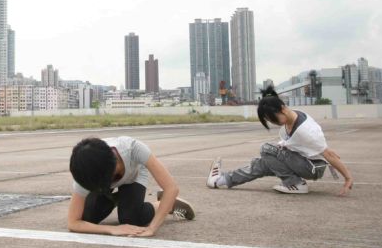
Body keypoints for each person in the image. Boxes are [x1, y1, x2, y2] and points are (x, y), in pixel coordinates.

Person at [206, 86, 353, 196]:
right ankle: (220, 181)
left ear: (282, 108)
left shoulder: (305, 130)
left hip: (311, 167)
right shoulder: (291, 118)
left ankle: (295, 183)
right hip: (300, 161)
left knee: (266, 148)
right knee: (262, 164)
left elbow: (328, 154)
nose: (273, 122)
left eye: (273, 119)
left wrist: (347, 178)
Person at [67, 136, 195, 237]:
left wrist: (152, 228)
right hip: (103, 180)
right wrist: (112, 229)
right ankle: (118, 199)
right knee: (88, 218)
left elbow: (171, 188)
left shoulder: (133, 149)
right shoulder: (86, 171)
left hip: (135, 175)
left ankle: (167, 204)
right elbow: (73, 222)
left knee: (131, 219)